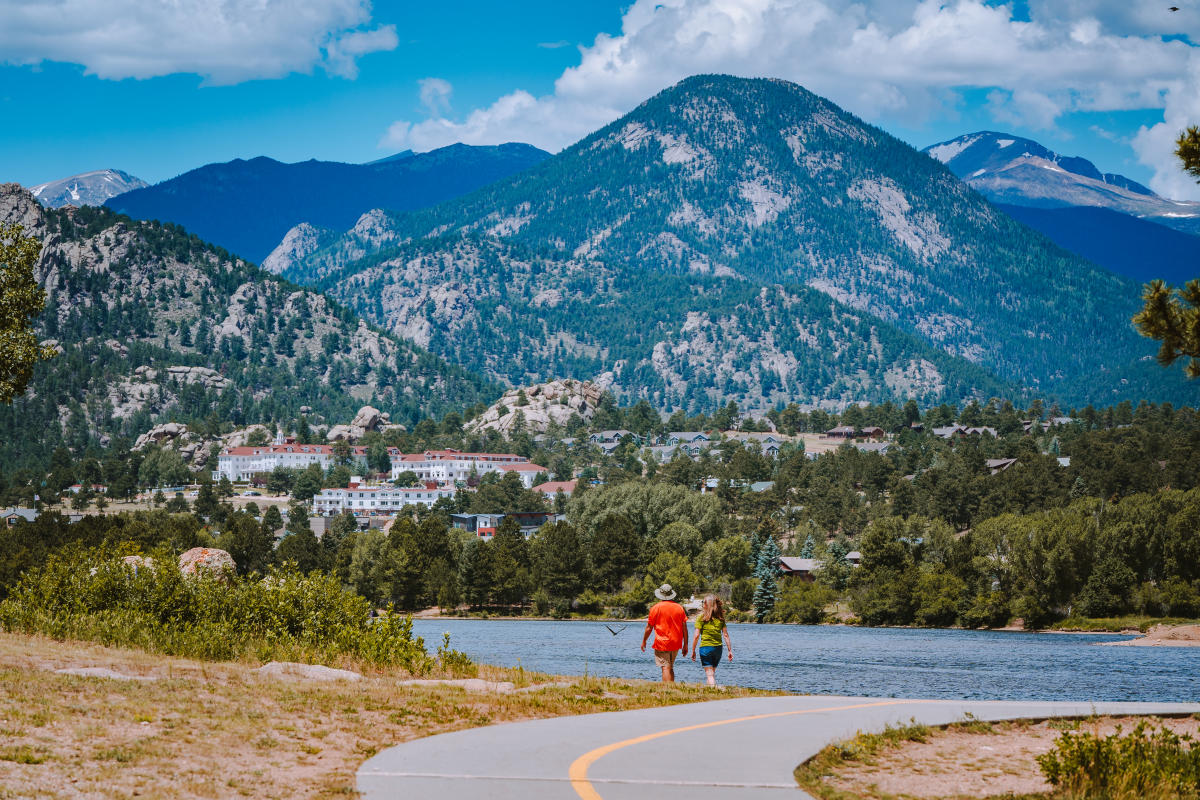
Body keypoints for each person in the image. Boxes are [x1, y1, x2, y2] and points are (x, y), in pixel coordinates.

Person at [641, 583, 688, 682]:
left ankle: (666, 689)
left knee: (665, 667)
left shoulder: (655, 608)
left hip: (662, 642)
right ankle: (671, 687)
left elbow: (649, 627)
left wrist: (644, 641)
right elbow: (685, 628)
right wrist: (686, 644)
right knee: (670, 666)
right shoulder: (679, 608)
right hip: (676, 642)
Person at [691, 594, 732, 687]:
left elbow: (696, 635)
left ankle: (713, 689)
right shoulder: (720, 618)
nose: (702, 604)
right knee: (711, 673)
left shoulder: (701, 618)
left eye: (703, 602)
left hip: (705, 648)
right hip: (718, 649)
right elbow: (725, 635)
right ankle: (709, 691)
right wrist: (730, 650)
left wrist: (693, 650)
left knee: (709, 674)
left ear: (707, 604)